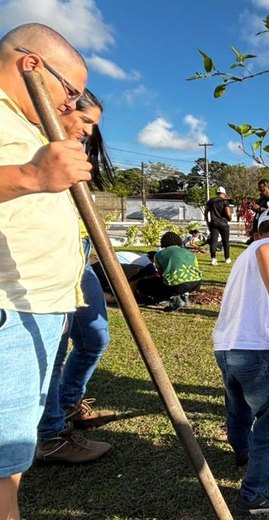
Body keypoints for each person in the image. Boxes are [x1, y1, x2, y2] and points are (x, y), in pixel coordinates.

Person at [0, 23, 92, 519]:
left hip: (38, 309)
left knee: (10, 462)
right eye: (71, 90)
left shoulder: (25, 124)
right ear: (32, 64)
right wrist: (31, 176)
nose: (72, 105)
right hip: (9, 312)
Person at [36, 90, 116, 465]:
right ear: (62, 109)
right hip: (46, 262)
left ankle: (68, 403)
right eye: (85, 121)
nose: (88, 130)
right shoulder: (36, 148)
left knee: (95, 337)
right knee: (53, 348)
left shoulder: (75, 157)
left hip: (78, 258)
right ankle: (51, 433)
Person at [213, 202, 269, 515]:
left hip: (226, 347)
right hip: (259, 351)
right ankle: (255, 493)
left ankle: (242, 453)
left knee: (237, 407)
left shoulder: (244, 253)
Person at [134, 232, 202, 311]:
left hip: (177, 284)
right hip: (196, 282)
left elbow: (161, 274)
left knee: (143, 284)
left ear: (163, 243)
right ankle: (184, 296)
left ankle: (173, 299)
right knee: (181, 284)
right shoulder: (189, 253)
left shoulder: (159, 255)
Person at [205, 186, 232, 265]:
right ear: (224, 193)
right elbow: (227, 213)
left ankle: (213, 259)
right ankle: (227, 258)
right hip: (223, 223)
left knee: (214, 241)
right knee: (225, 241)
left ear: (217, 193)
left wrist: (208, 222)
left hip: (213, 223)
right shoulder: (225, 202)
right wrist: (230, 218)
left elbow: (206, 212)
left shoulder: (211, 201)